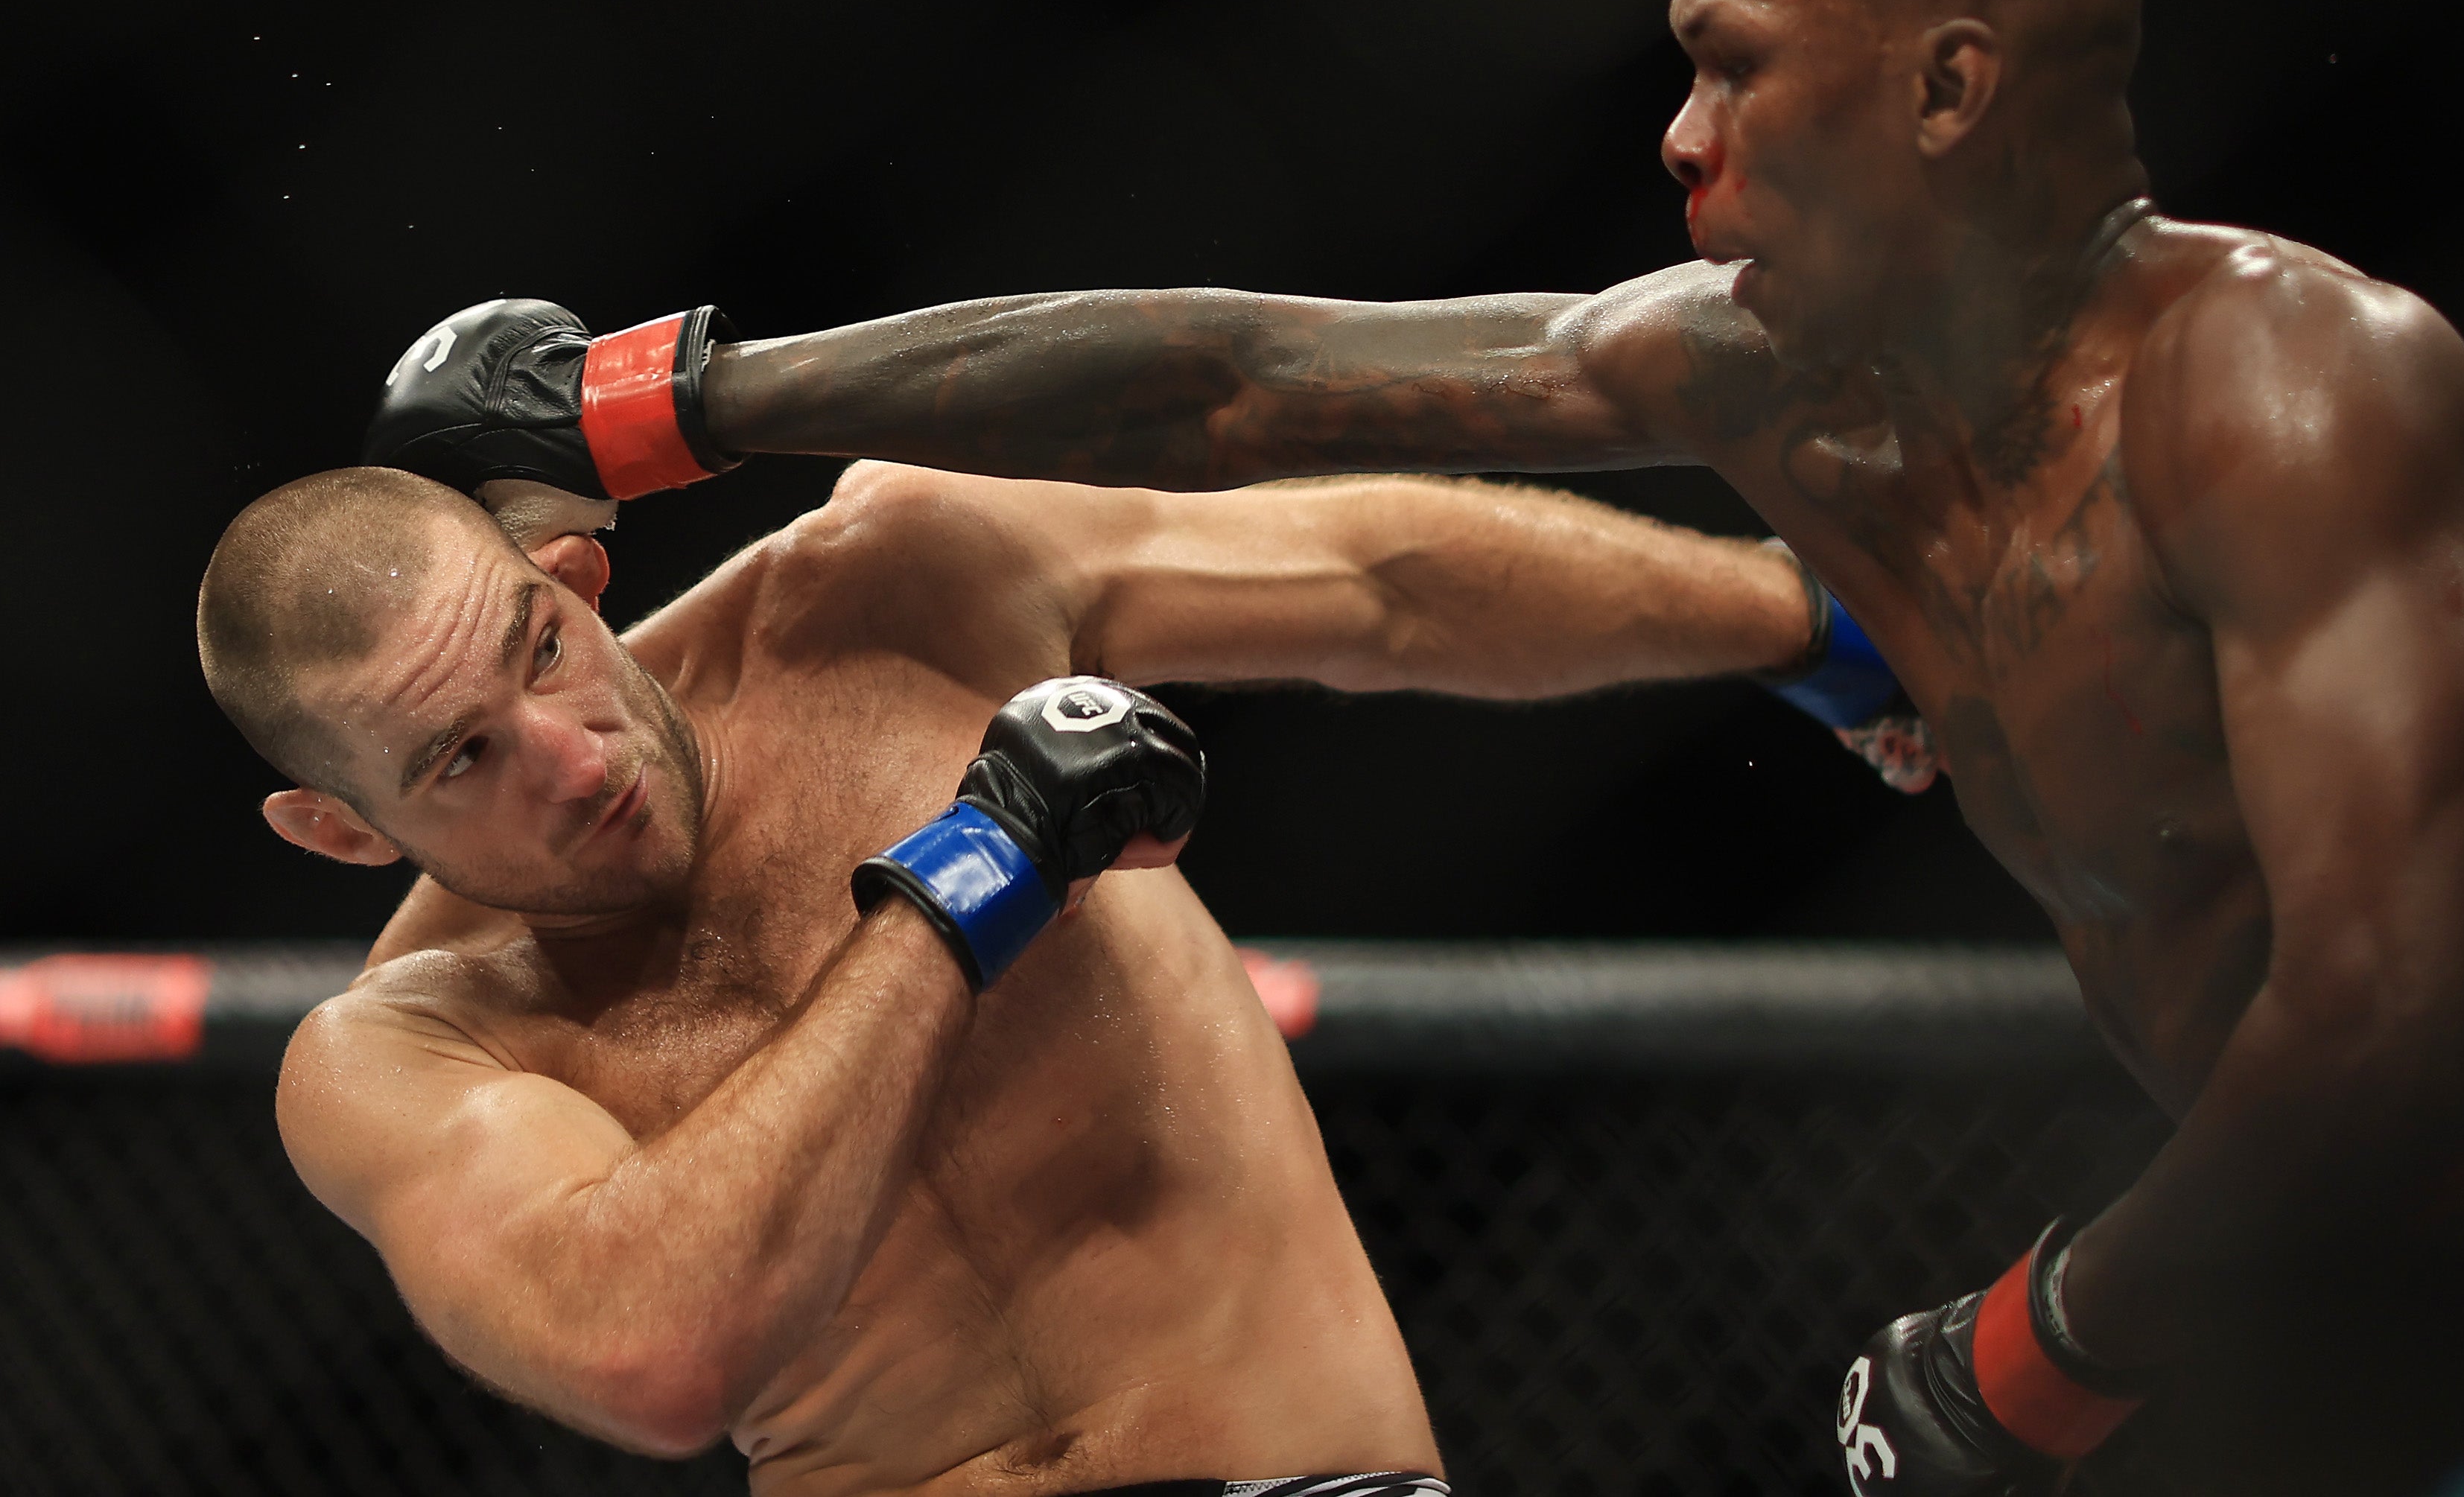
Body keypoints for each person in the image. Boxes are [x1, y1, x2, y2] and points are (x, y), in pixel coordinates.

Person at [367, 0, 2464, 1496]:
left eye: (1738, 64)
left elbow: (2385, 1010)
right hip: (2346, 1267)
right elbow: (1230, 375)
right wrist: (672, 402)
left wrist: (2042, 1347)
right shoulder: (1770, 377)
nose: (1676, 139)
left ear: (1951, 86)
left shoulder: (2287, 383)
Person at [202, 452, 1831, 1494]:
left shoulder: (885, 594)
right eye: (464, 754)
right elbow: (653, 1351)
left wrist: (1806, 622)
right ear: (341, 832)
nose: (566, 757)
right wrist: (968, 883)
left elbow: (1371, 583)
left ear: (568, 579)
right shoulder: (404, 1053)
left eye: (538, 650)